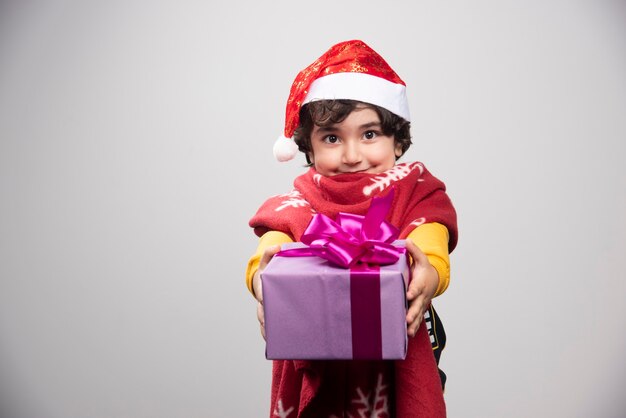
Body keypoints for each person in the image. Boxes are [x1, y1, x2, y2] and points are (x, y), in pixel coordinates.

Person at [246, 40, 458, 418]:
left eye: (370, 134)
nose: (352, 155)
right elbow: (274, 242)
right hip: (316, 349)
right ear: (308, 148)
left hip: (393, 363)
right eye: (332, 138)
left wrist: (430, 273)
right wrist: (263, 280)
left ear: (397, 138)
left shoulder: (416, 192)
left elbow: (429, 235)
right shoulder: (301, 201)